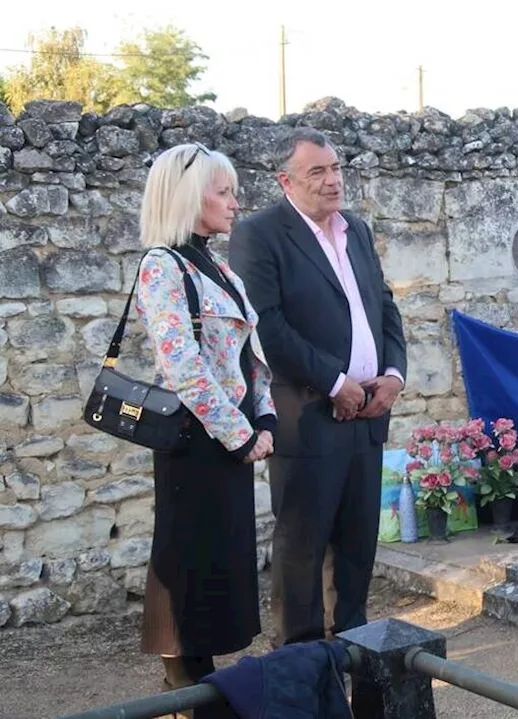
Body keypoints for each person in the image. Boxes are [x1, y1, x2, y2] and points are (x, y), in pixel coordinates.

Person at [229, 128, 407, 646]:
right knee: (302, 553)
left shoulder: (357, 229)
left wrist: (393, 375)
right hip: (307, 418)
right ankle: (301, 666)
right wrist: (335, 383)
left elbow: (385, 307)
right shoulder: (260, 234)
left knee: (357, 548)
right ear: (286, 180)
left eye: (335, 168)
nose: (333, 181)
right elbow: (267, 324)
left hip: (369, 415)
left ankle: (354, 652)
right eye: (317, 172)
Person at [132, 142, 276, 698]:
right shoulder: (161, 266)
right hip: (196, 444)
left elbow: (248, 351)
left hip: (230, 441)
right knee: (188, 561)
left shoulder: (215, 264)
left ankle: (206, 687)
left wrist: (264, 418)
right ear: (190, 197)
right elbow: (184, 368)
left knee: (221, 559)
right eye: (224, 192)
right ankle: (186, 689)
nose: (235, 203)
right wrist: (241, 436)